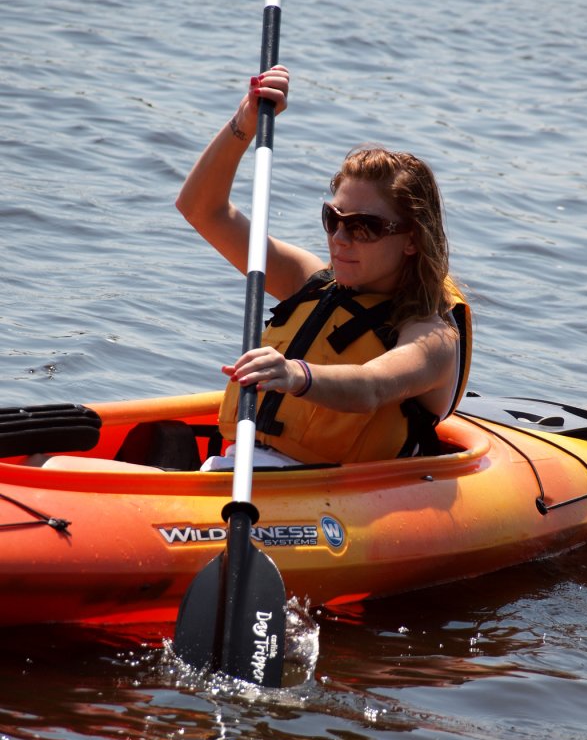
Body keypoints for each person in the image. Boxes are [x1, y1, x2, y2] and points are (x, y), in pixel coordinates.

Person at [176, 66, 471, 468]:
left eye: (365, 227)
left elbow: (371, 387)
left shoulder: (430, 337)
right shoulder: (310, 282)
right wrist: (245, 119)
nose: (341, 239)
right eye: (334, 219)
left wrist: (298, 376)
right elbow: (201, 209)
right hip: (236, 469)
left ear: (413, 240)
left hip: (323, 496)